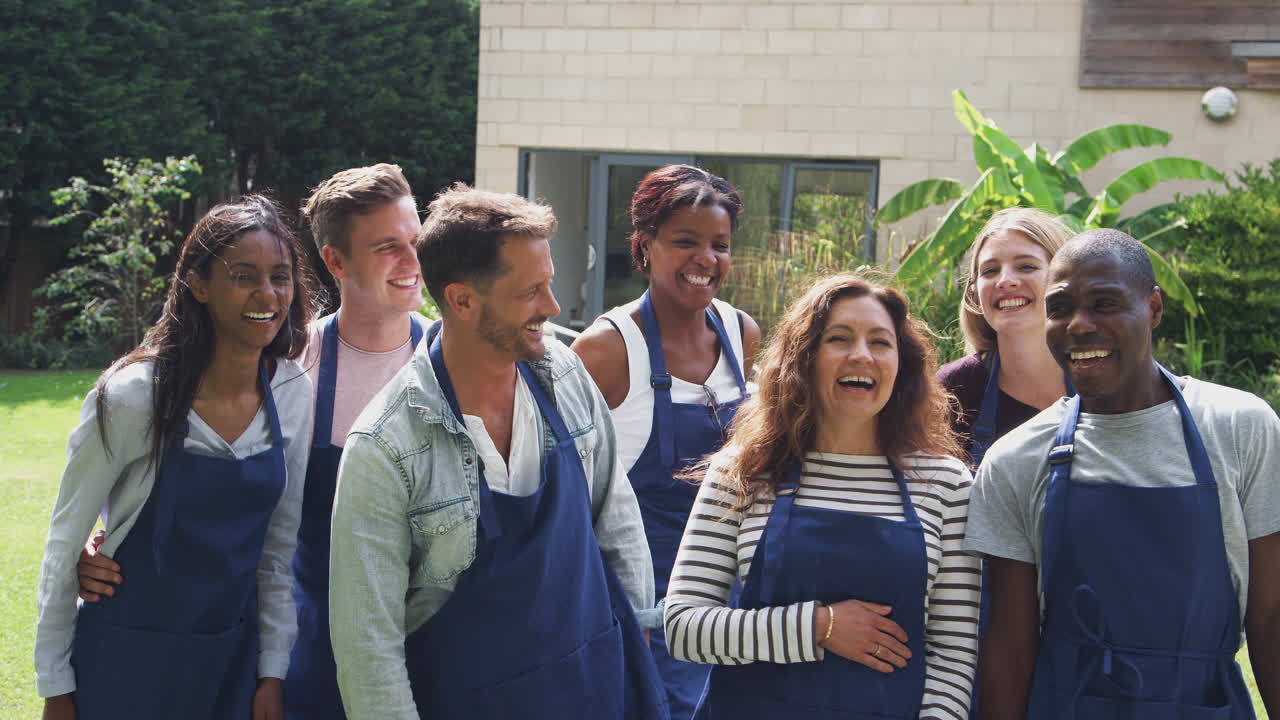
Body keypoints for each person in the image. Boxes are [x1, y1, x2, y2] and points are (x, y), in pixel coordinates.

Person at [71, 164, 428, 720]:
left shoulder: (450, 365)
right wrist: (104, 544)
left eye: (417, 242)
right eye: (389, 247)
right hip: (308, 647)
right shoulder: (289, 368)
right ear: (335, 262)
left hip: (428, 642)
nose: (412, 262)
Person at [328, 184, 668, 719]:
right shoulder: (386, 447)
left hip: (594, 689)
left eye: (550, 285)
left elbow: (616, 515)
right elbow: (368, 646)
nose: (553, 307)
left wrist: (639, 637)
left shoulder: (566, 376)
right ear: (462, 300)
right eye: (531, 292)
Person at [965, 229, 1280, 719]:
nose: (1079, 325)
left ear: (1153, 307)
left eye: (1104, 303)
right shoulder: (1016, 459)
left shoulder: (1239, 426)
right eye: (1061, 307)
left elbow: (1270, 616)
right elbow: (1010, 643)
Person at [35, 196, 317, 720]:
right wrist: (56, 687)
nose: (268, 294)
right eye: (243, 276)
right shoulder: (132, 396)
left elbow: (277, 554)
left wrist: (271, 673)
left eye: (281, 277)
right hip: (124, 663)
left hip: (231, 662)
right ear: (198, 284)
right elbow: (63, 545)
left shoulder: (294, 394)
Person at [665, 272, 981, 720]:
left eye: (880, 342)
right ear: (805, 358)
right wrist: (819, 627)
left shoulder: (946, 485)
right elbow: (683, 627)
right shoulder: (743, 472)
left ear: (901, 364)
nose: (861, 355)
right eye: (839, 338)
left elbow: (953, 655)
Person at [572, 164, 760, 720]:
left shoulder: (740, 333)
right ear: (644, 246)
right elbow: (572, 500)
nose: (707, 259)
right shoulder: (606, 350)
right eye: (685, 242)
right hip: (645, 613)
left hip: (732, 605)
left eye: (720, 245)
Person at [937, 207, 1072, 467]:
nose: (1006, 280)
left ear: (1060, 279)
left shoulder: (1101, 383)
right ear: (975, 291)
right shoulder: (953, 391)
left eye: (1026, 266)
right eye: (990, 271)